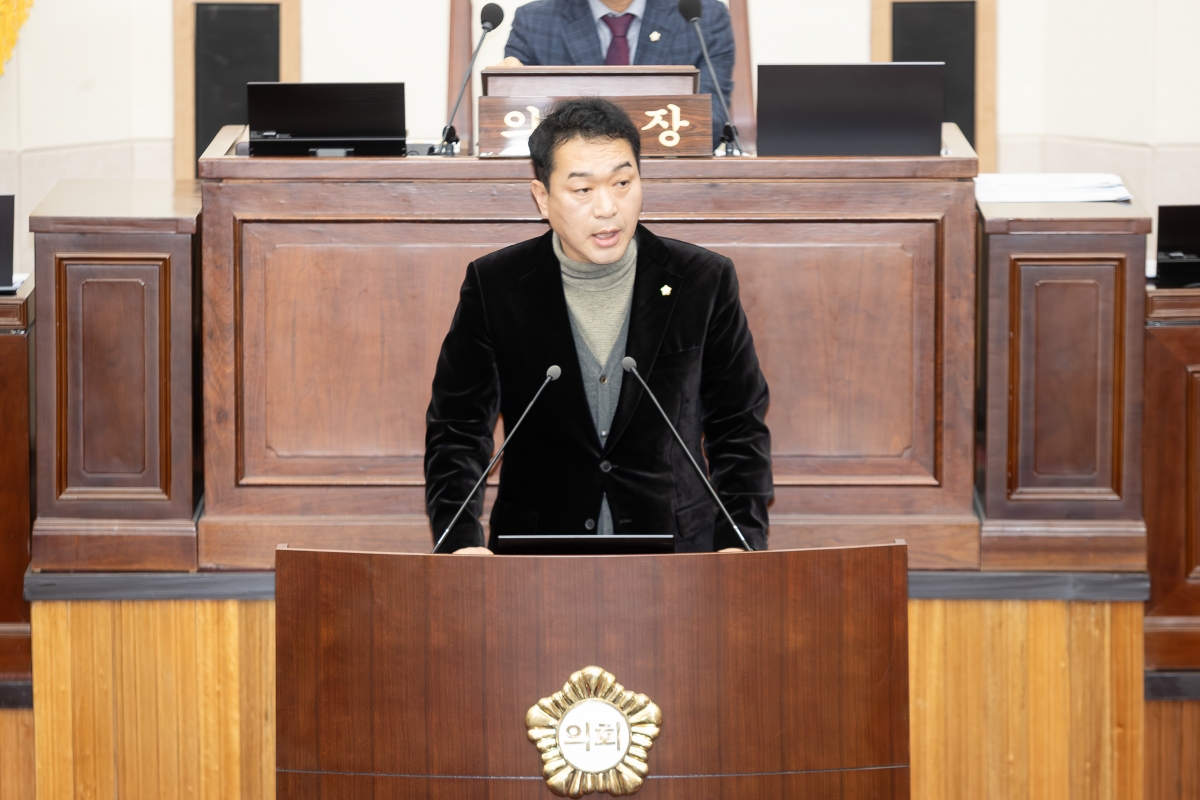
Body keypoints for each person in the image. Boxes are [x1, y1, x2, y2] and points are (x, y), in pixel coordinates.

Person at [424, 98, 771, 555]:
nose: (608, 208)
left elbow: (739, 427)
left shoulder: (703, 280)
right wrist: (458, 543)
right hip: (535, 556)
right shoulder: (495, 285)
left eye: (623, 183)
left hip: (679, 552)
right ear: (542, 198)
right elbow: (456, 430)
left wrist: (741, 543)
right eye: (583, 190)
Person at [499, 0, 735, 150]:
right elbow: (519, 128)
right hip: (572, 177)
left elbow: (710, 120)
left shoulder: (700, 16)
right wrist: (507, 89)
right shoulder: (535, 21)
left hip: (668, 170)